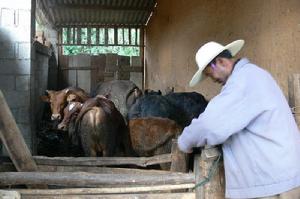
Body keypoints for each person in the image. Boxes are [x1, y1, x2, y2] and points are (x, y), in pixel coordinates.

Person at [178, 40, 300, 199]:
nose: (213, 79)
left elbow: (210, 125)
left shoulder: (242, 81)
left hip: (272, 184)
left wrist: (184, 142)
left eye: (209, 73)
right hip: (280, 176)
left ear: (220, 62)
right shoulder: (254, 74)